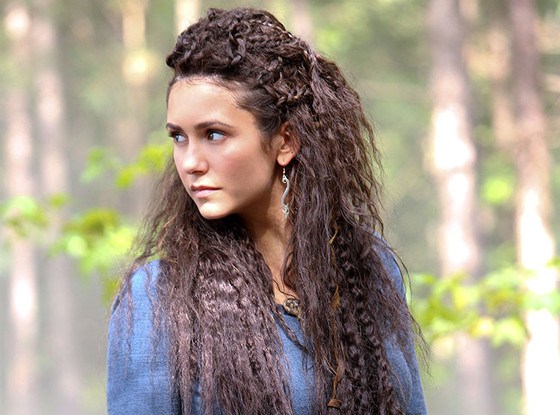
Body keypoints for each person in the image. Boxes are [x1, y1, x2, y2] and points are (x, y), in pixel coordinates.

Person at [107, 7, 427, 415]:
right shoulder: (157, 296)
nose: (190, 162)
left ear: (285, 142)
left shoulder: (369, 266)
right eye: (179, 138)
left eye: (213, 134)